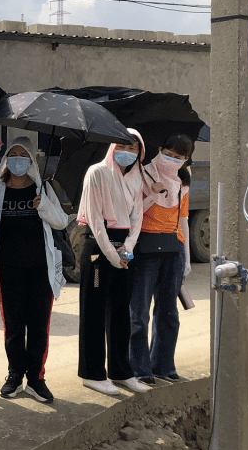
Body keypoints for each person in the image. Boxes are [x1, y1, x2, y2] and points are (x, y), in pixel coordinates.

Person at [0, 139, 68, 403]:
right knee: (14, 326)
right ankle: (15, 375)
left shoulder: (43, 188)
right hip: (9, 268)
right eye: (13, 155)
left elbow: (62, 221)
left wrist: (44, 206)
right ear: (6, 160)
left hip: (40, 268)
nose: (18, 160)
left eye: (24, 156)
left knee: (39, 325)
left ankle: (36, 379)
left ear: (31, 161)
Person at [76, 129, 151, 396]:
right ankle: (92, 373)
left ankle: (121, 371)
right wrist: (112, 254)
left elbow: (137, 217)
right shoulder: (97, 172)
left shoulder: (136, 178)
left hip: (124, 250)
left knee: (121, 312)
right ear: (112, 146)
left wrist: (127, 249)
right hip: (99, 250)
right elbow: (95, 221)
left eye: (133, 149)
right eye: (122, 146)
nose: (127, 153)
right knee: (94, 311)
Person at [129, 134, 194, 385]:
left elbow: (183, 220)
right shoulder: (143, 174)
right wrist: (153, 195)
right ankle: (139, 368)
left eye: (180, 157)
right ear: (160, 149)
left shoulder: (183, 181)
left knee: (169, 312)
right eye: (170, 153)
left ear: (186, 160)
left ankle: (163, 365)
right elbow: (134, 212)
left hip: (173, 246)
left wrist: (186, 255)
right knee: (139, 311)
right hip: (146, 245)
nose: (173, 160)